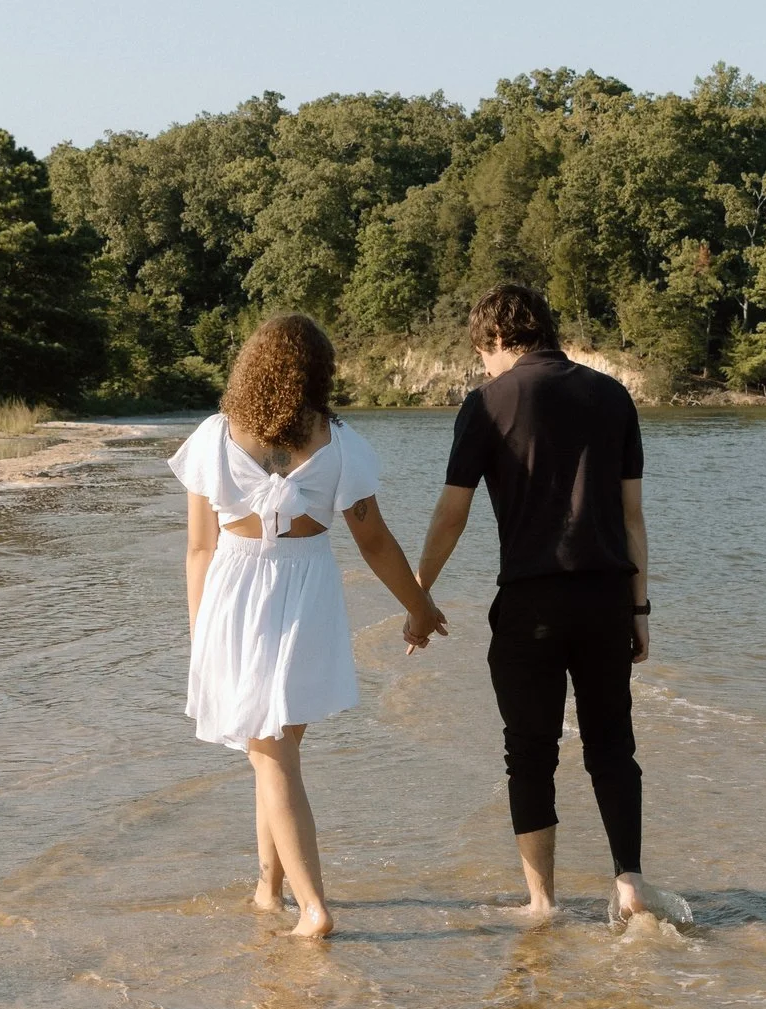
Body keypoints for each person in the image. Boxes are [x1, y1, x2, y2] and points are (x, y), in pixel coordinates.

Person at [168, 314, 448, 939]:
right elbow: (373, 541)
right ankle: (269, 888)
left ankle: (314, 909)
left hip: (234, 592)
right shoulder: (339, 441)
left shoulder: (216, 437)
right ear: (319, 371)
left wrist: (200, 633)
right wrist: (418, 606)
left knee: (271, 754)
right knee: (273, 749)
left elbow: (198, 550)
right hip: (307, 590)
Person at [415, 284, 673, 924]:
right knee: (612, 744)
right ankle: (631, 882)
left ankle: (542, 903)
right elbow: (632, 517)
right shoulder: (613, 396)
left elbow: (452, 515)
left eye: (483, 353)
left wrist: (418, 593)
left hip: (531, 602)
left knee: (529, 751)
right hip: (609, 595)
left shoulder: (486, 403)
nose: (485, 366)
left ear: (495, 339)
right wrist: (640, 610)